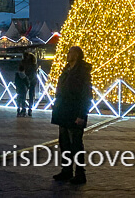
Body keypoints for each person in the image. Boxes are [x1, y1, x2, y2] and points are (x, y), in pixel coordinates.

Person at [51, 46, 92, 185]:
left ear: (78, 55)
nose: (68, 54)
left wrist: (81, 114)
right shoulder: (66, 70)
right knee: (64, 143)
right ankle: (66, 170)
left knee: (76, 145)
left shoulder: (82, 72)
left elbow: (86, 95)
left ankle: (80, 174)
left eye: (70, 52)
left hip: (74, 112)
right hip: (63, 111)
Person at [24, 51, 38, 116]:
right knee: (31, 95)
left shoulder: (26, 64)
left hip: (27, 80)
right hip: (33, 80)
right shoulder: (34, 65)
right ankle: (30, 109)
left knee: (23, 94)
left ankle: (23, 109)